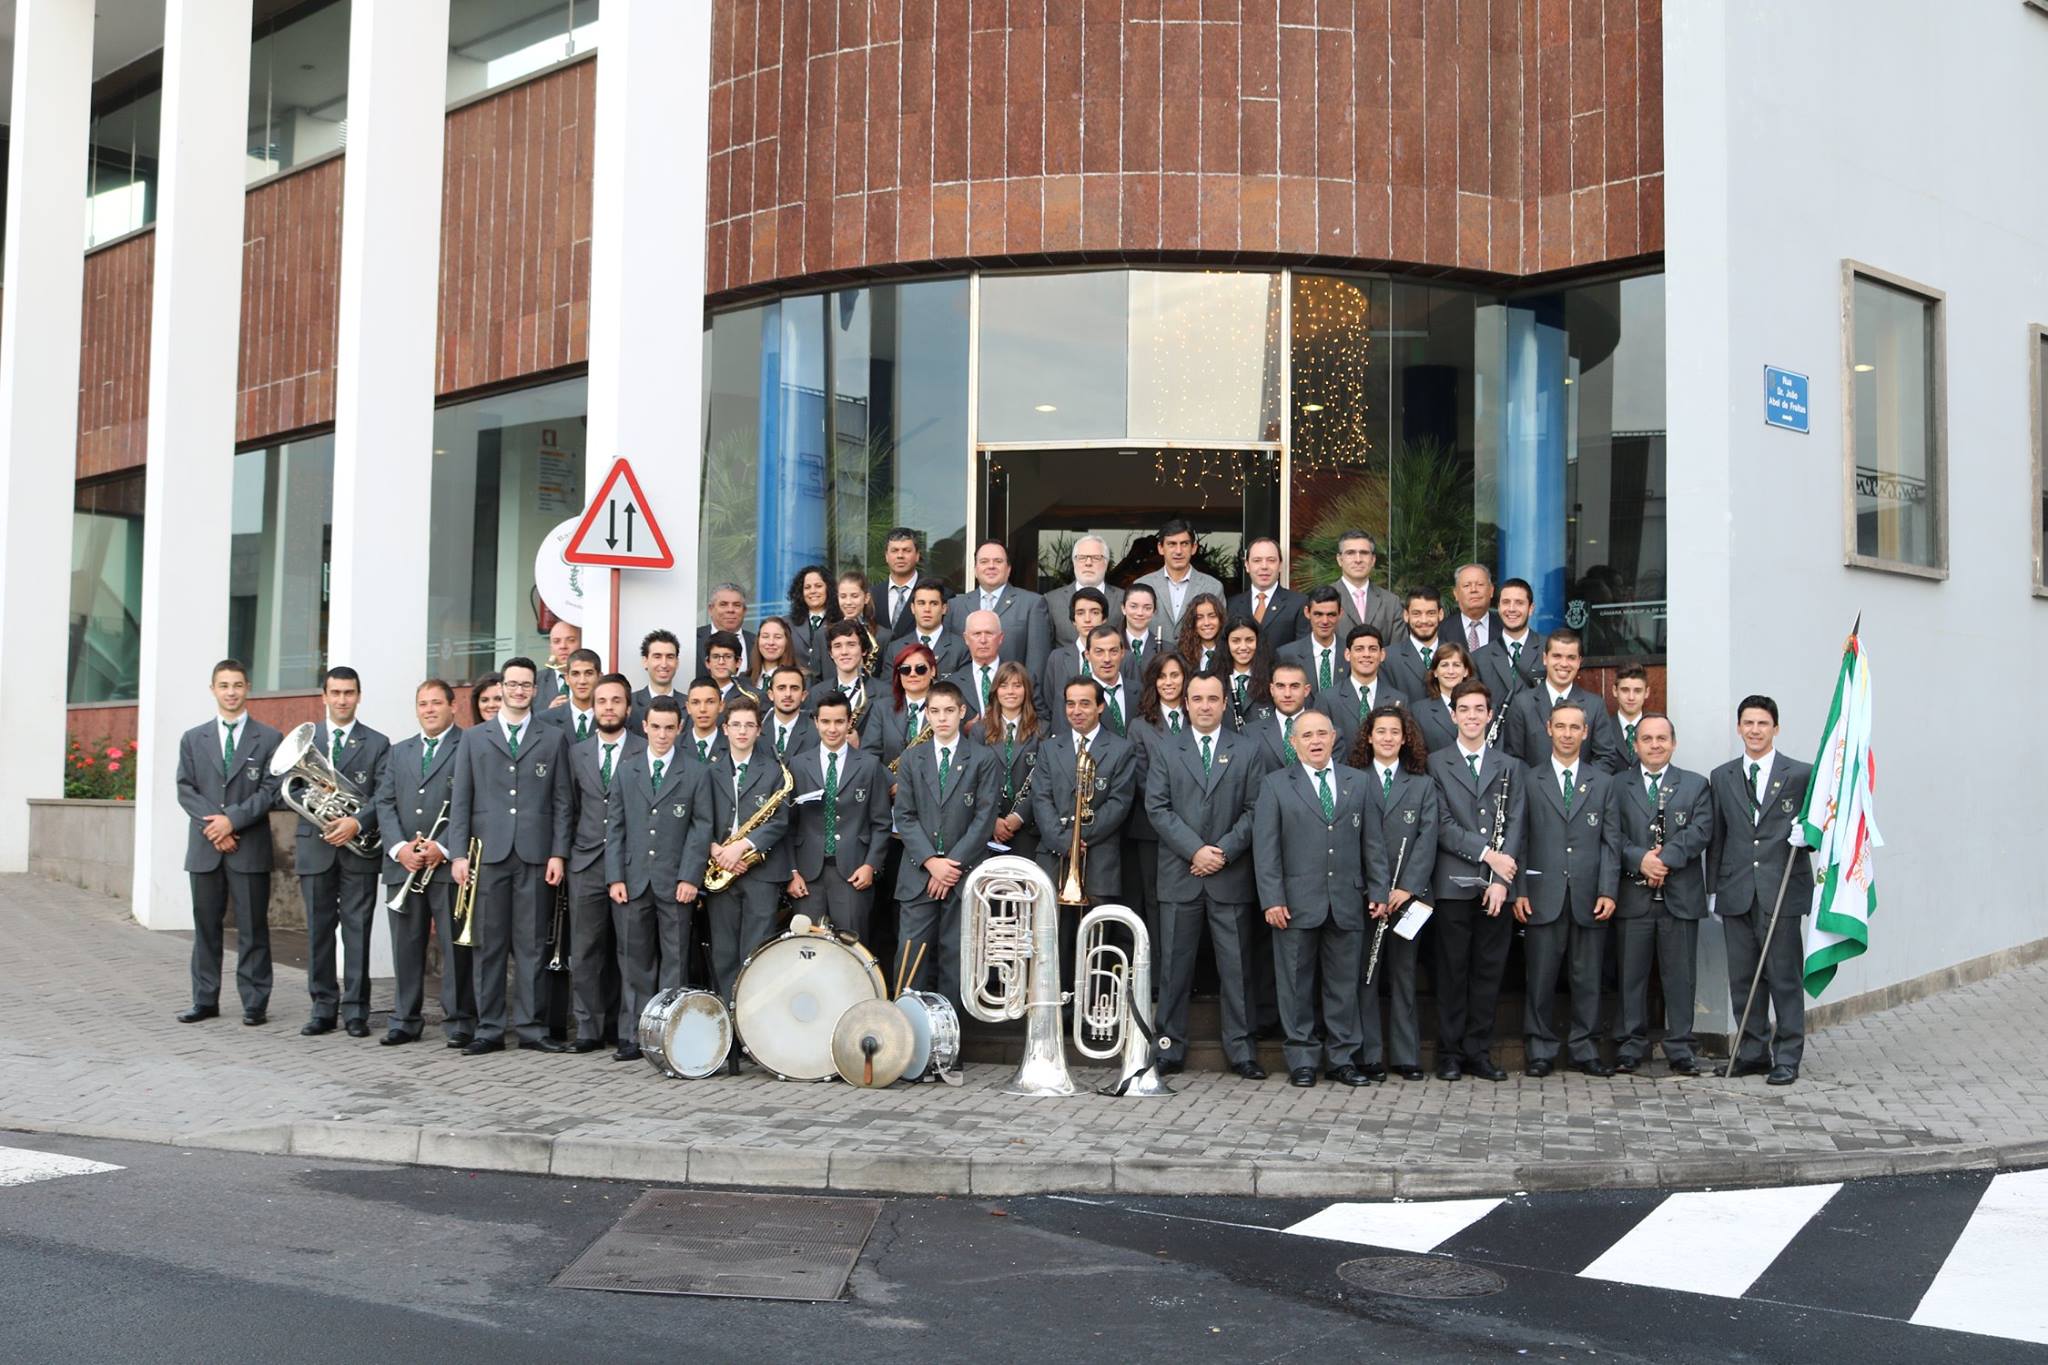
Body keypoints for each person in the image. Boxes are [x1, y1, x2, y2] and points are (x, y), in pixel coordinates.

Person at [1147, 670, 1271, 1079]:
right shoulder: (1166, 748)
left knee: (1236, 968)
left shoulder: (1248, 749)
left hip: (1228, 874)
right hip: (1180, 873)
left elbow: (1256, 809)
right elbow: (1158, 808)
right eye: (1196, 698)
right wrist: (1195, 850)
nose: (1204, 705)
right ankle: (1168, 1048)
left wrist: (1223, 852)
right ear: (1186, 703)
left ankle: (1242, 1051)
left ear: (1223, 703)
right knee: (1173, 968)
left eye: (1212, 698)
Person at [447, 656, 573, 1055]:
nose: (519, 691)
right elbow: (461, 799)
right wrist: (457, 854)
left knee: (533, 943)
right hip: (487, 855)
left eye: (526, 685)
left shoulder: (552, 738)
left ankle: (532, 1028)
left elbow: (562, 801)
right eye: (513, 684)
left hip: (536, 855)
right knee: (489, 944)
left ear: (536, 690)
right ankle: (489, 1029)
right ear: (501, 687)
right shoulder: (474, 738)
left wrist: (558, 854)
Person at [1253, 707, 1372, 1088]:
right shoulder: (1275, 785)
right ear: (1293, 743)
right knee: (1294, 984)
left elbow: (1373, 844)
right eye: (1307, 735)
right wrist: (1272, 898)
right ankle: (1302, 1058)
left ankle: (1342, 1058)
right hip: (1294, 902)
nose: (1316, 741)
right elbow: (1265, 848)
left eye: (1322, 733)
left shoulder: (1358, 782)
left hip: (1346, 900)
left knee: (1343, 985)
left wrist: (1380, 890)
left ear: (1335, 736)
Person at [1708, 695, 1815, 1086]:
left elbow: (1822, 824)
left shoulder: (1801, 774)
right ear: (1739, 728)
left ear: (1776, 729)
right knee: (1743, 978)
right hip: (1737, 890)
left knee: (1783, 977)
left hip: (1781, 890)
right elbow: (1718, 836)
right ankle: (1752, 1052)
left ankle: (1787, 1055)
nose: (1755, 730)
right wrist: (1713, 889)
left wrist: (1811, 837)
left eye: (1762, 724)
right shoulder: (1722, 777)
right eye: (1748, 723)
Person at [1512, 700, 1621, 1078]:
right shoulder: (1529, 779)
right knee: (1539, 978)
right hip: (1542, 895)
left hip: (1590, 896)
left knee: (1587, 978)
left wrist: (1608, 890)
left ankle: (1584, 1048)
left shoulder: (1604, 782)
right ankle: (1539, 1049)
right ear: (1548, 729)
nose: (1568, 734)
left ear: (1586, 732)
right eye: (1561, 726)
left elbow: (1611, 842)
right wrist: (1519, 889)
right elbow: (1519, 838)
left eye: (1575, 727)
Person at [1426, 678, 1527, 1082]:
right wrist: (1488, 855)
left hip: (1497, 888)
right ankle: (1450, 1053)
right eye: (1463, 709)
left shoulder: (1510, 766)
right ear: (1453, 715)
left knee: (1489, 970)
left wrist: (1503, 879)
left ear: (1489, 716)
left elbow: (1518, 823)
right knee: (1452, 972)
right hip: (1453, 885)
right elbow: (1442, 825)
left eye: (1478, 710)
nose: (1471, 716)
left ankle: (1478, 1051)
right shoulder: (1436, 763)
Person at [174, 659, 284, 1026]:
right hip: (206, 848)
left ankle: (255, 1003)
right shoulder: (193, 738)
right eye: (224, 685)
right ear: (213, 690)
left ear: (247, 687)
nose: (231, 692)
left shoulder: (269, 738)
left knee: (253, 928)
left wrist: (232, 821)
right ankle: (204, 999)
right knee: (206, 926)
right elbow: (185, 789)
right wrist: (215, 827)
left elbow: (271, 790)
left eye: (237, 684)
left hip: (248, 847)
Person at [604, 696, 712, 1048]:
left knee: (675, 960)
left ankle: (669, 1032)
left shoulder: (695, 771)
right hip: (634, 880)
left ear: (680, 729)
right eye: (656, 727)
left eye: (669, 727)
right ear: (644, 727)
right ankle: (632, 1035)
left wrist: (689, 877)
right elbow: (615, 828)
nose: (662, 734)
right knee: (634, 958)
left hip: (675, 881)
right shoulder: (626, 770)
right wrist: (615, 876)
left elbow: (701, 828)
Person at [1610, 713, 1713, 1075]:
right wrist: (1640, 860)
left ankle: (1681, 1048)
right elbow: (1611, 835)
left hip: (1679, 896)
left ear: (1673, 743)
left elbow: (1701, 831)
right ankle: (1629, 1045)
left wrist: (1663, 860)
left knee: (1680, 977)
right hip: (1632, 897)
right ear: (1635, 745)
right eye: (1647, 739)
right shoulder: (1617, 786)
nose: (1655, 745)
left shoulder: (1696, 785)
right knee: (1630, 976)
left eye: (1662, 738)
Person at [292, 665, 390, 1039]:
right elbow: (285, 786)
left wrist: (356, 822)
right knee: (318, 931)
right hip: (315, 847)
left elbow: (384, 793)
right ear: (324, 696)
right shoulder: (306, 739)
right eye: (335, 693)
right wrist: (318, 805)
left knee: (357, 932)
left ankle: (356, 1011)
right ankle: (322, 1009)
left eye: (349, 693)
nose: (342, 699)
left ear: (359, 696)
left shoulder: (377, 743)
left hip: (357, 849)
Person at [375, 678, 473, 1047]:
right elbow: (384, 803)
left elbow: (472, 803)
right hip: (405, 864)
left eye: (436, 702)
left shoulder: (468, 745)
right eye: (423, 703)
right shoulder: (399, 752)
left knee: (454, 946)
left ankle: (460, 1018)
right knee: (406, 944)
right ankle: (404, 1018)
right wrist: (399, 847)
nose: (429, 709)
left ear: (453, 706)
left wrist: (444, 848)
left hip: (447, 864)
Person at [892, 682, 999, 1007]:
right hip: (918, 874)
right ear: (926, 714)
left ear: (962, 712)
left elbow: (984, 819)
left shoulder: (982, 758)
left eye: (949, 711)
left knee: (957, 957)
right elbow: (905, 816)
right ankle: (908, 1041)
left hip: (961, 875)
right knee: (912, 956)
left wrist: (950, 865)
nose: (942, 718)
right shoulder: (911, 759)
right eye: (935, 711)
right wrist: (931, 862)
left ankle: (951, 1044)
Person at [1351, 704, 1438, 1081]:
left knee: (1404, 976)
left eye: (1394, 732)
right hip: (1366, 898)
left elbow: (1428, 838)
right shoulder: (1352, 780)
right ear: (1369, 737)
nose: (1387, 738)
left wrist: (1405, 888)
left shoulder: (1422, 784)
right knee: (1365, 977)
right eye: (1380, 731)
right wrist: (1376, 890)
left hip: (1409, 899)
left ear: (1405, 739)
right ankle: (1369, 1054)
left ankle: (1406, 1055)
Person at [561, 673, 642, 1053]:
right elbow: (565, 809)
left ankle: (629, 1031)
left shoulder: (644, 750)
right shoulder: (576, 752)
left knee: (630, 949)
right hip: (586, 862)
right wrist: (561, 856)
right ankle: (589, 1029)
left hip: (630, 863)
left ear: (628, 707)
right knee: (587, 947)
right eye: (602, 701)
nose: (608, 708)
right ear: (592, 707)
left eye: (616, 701)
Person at [703, 696, 792, 1005]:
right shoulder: (709, 771)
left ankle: (753, 1024)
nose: (742, 731)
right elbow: (701, 818)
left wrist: (741, 847)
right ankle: (727, 1020)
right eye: (736, 724)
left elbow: (780, 820)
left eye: (749, 725)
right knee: (724, 951)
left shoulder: (774, 771)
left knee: (756, 951)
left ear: (758, 731)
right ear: (724, 729)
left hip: (761, 872)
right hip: (720, 870)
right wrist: (717, 851)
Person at [786, 692, 892, 943]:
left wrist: (870, 865)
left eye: (839, 722)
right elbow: (788, 825)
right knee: (806, 946)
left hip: (853, 871)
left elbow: (881, 822)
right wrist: (792, 871)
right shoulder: (798, 764)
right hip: (807, 873)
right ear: (816, 722)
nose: (832, 729)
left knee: (852, 947)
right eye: (826, 722)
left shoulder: (869, 765)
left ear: (849, 723)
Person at [1029, 677, 1139, 910]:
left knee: (1093, 939)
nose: (1076, 711)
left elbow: (1118, 804)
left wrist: (1080, 836)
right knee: (1050, 939)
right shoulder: (1049, 748)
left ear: (1100, 706)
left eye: (1085, 703)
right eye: (1071, 704)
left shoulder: (1122, 749)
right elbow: (1041, 799)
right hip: (1052, 856)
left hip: (1099, 860)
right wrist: (1063, 840)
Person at [1123, 650, 1188, 950]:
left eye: (1175, 675)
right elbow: (1142, 778)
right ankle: (1157, 975)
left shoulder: (1196, 718)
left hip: (1195, 825)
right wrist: (1168, 813)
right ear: (1153, 682)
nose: (1169, 682)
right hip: (1151, 828)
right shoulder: (1140, 725)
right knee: (1154, 897)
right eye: (1162, 676)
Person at [1502, 629, 1622, 771]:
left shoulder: (1595, 706)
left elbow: (1606, 757)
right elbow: (1513, 759)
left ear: (1579, 662)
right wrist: (1535, 786)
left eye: (1571, 657)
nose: (1564, 664)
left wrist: (1580, 786)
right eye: (1557, 656)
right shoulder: (1522, 704)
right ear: (1545, 659)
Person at [944, 539, 1051, 678]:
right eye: (984, 561)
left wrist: (1029, 697)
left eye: (998, 561)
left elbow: (1038, 662)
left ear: (1008, 569)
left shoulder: (1032, 604)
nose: (991, 566)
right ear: (975, 570)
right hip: (966, 695)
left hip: (1013, 694)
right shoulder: (955, 606)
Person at [980, 661, 1046, 860]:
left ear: (1026, 690)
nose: (1010, 691)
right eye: (1004, 685)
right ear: (995, 691)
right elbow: (974, 781)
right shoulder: (978, 731)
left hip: (1028, 826)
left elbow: (1045, 782)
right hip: (988, 826)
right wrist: (993, 820)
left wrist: (1019, 816)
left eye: (1017, 685)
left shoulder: (1043, 730)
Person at [1318, 624, 1410, 754]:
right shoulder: (1327, 699)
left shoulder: (1399, 700)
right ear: (1347, 654)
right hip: (1343, 771)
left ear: (1382, 654)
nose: (1366, 654)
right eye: (1359, 649)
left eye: (1372, 649)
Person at [1136, 517, 1224, 639]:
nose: (1178, 551)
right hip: (1155, 657)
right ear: (1161, 548)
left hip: (1196, 657)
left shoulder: (1213, 587)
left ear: (1193, 548)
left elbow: (1220, 632)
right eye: (1172, 544)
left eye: (1184, 544)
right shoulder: (1142, 585)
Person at [807, 620, 882, 748]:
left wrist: (860, 743)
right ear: (831, 653)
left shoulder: (884, 692)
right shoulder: (815, 692)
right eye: (837, 646)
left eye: (851, 645)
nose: (844, 652)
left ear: (863, 650)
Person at [1225, 535, 1305, 655]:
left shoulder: (1299, 603)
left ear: (1280, 565)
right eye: (1257, 560)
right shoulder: (1231, 605)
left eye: (1271, 560)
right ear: (1247, 565)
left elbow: (1302, 651)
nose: (1264, 566)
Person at [872, 640, 941, 773]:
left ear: (933, 671)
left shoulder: (946, 709)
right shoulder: (881, 708)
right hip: (891, 790)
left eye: (920, 669)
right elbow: (870, 754)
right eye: (905, 669)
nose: (912, 674)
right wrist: (891, 782)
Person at [1472, 577, 1545, 701]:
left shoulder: (1549, 649)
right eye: (1506, 602)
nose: (1511, 609)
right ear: (1499, 607)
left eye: (1519, 603)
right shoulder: (1478, 658)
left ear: (1531, 608)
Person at [1045, 535, 1125, 648]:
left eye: (1096, 557)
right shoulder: (1051, 600)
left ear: (1106, 563)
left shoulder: (1123, 599)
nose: (1088, 563)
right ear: (1074, 562)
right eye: (1082, 557)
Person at [1243, 660, 1320, 771]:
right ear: (1272, 690)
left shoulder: (1326, 733)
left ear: (1306, 690)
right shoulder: (1250, 734)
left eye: (1294, 686)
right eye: (1281, 686)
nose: (1287, 694)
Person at [1042, 587, 1113, 702]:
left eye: (1095, 612)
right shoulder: (1057, 658)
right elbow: (1049, 701)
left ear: (1104, 618)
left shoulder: (1122, 658)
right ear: (1073, 620)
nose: (1087, 619)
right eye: (1080, 613)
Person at [946, 608, 1017, 720]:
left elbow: (1040, 718)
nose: (983, 640)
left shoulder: (1021, 677)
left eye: (989, 633)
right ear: (966, 639)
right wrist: (964, 730)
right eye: (977, 634)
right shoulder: (952, 684)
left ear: (1000, 638)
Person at [1332, 530, 1402, 644]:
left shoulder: (1391, 602)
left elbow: (1398, 651)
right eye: (1350, 553)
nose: (1358, 560)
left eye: (1364, 553)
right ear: (1340, 560)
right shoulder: (1324, 600)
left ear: (1373, 559)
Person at [1276, 585, 1346, 696]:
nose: (1325, 621)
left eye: (1331, 615)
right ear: (1307, 612)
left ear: (1340, 613)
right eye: (1318, 614)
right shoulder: (1286, 655)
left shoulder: (1352, 653)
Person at [1380, 586, 1447, 700]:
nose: (1424, 620)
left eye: (1430, 613)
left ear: (1440, 614)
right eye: (1417, 614)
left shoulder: (1456, 655)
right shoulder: (1388, 658)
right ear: (1406, 615)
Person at [1412, 640, 1476, 753]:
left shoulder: (1483, 708)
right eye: (1444, 665)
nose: (1450, 671)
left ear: (1466, 671)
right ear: (1435, 672)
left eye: (1456, 665)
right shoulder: (1419, 712)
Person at [902, 582, 968, 675]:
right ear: (913, 608)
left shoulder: (961, 648)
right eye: (921, 603)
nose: (927, 609)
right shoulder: (896, 648)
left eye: (934, 603)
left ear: (944, 608)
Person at [536, 647, 602, 739]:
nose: (582, 681)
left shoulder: (610, 718)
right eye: (575, 674)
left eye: (588, 673)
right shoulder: (545, 720)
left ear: (600, 677)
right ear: (567, 678)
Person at [694, 583, 756, 675]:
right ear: (710, 609)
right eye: (723, 604)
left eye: (737, 605)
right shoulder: (693, 639)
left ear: (744, 611)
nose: (730, 610)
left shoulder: (757, 643)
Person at [762, 664, 819, 761]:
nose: (788, 694)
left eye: (794, 688)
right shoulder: (757, 732)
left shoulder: (817, 733)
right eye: (781, 688)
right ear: (770, 694)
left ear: (803, 695)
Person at [1222, 616, 1270, 731]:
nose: (1243, 647)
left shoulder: (1272, 678)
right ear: (1226, 643)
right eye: (1236, 641)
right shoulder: (1214, 679)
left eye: (1249, 640)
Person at [879, 527, 925, 641]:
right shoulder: (872, 595)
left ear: (917, 556)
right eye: (894, 550)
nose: (900, 556)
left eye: (906, 550)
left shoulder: (937, 594)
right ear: (886, 556)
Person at [835, 570, 884, 676]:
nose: (848, 602)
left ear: (866, 598)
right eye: (843, 596)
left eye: (854, 596)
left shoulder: (884, 637)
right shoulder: (822, 635)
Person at [786, 565, 834, 670]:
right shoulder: (786, 623)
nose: (813, 591)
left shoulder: (840, 622)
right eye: (807, 587)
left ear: (828, 588)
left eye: (818, 586)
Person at [1449, 563, 1504, 654]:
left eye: (1480, 584)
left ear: (1491, 590)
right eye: (1466, 585)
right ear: (1456, 593)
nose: (1473, 589)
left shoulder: (1506, 628)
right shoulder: (1441, 631)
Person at [1607, 664, 1652, 772]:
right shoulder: (1603, 728)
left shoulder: (1655, 728)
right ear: (1615, 691)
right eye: (1625, 690)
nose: (1631, 697)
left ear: (1646, 692)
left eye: (1637, 691)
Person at [631, 630, 683, 720]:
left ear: (677, 662)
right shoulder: (630, 704)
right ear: (645, 661)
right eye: (657, 657)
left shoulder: (690, 704)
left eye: (670, 657)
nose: (664, 664)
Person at [1175, 592, 1228, 674]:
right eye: (1199, 618)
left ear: (1221, 619)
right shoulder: (1180, 655)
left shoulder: (1231, 652)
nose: (1206, 623)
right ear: (1192, 622)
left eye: (1212, 616)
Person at [747, 616, 804, 691]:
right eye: (765, 636)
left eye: (777, 637)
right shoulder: (745, 679)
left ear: (787, 642)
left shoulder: (802, 678)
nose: (771, 642)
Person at [535, 620, 582, 710]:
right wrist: (548, 714)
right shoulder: (535, 682)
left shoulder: (595, 681)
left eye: (571, 640)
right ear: (551, 647)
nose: (563, 646)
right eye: (556, 641)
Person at [1120, 582, 1166, 673]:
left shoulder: (1168, 649)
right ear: (1123, 608)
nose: (1140, 613)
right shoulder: (1109, 647)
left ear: (1154, 611)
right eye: (1133, 606)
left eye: (1147, 608)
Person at [682, 678, 729, 765]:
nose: (703, 709)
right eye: (695, 702)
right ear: (688, 707)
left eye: (710, 702)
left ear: (721, 706)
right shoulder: (675, 745)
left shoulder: (732, 745)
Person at [702, 631, 757, 705]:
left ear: (738, 662)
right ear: (707, 663)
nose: (721, 662)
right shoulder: (696, 695)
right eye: (715, 657)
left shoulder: (754, 697)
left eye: (728, 656)